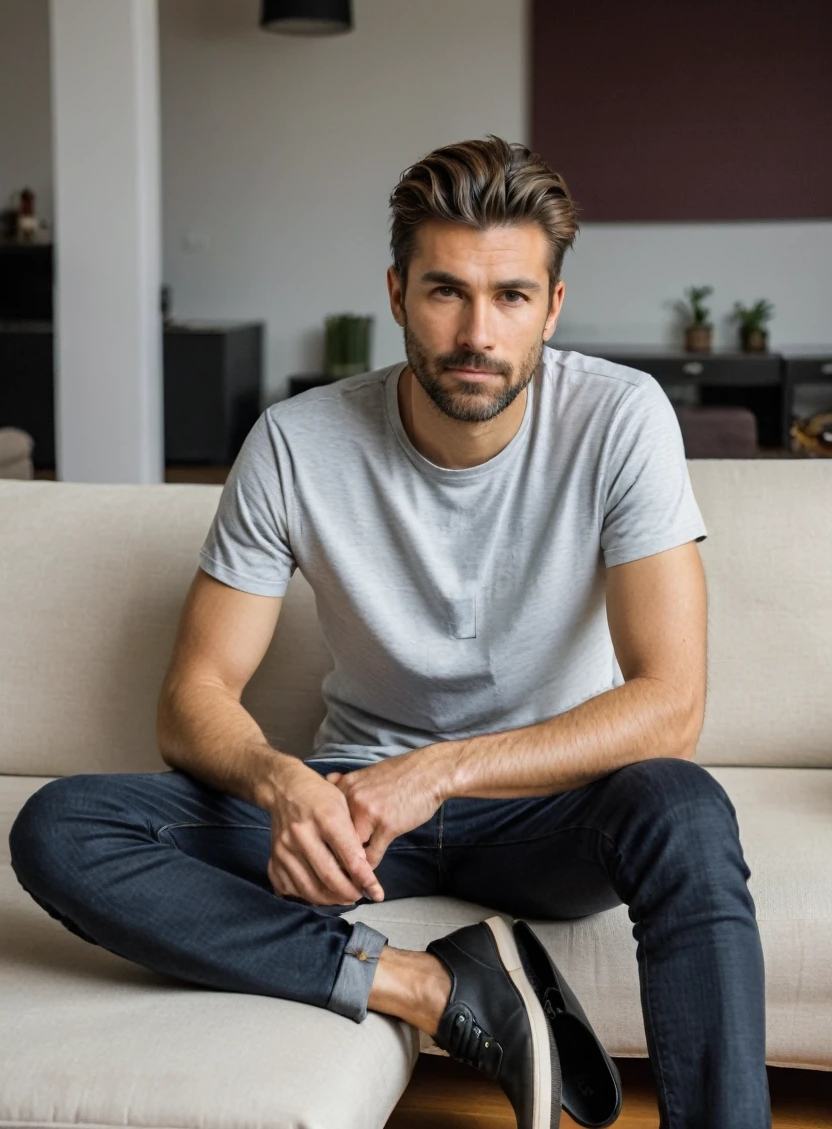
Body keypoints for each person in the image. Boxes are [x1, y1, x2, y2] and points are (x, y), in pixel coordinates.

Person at [9, 136, 769, 1128]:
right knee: (60, 828)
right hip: (355, 816)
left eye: (508, 296)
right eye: (445, 291)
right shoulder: (298, 440)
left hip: (547, 810)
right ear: (397, 292)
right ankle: (437, 990)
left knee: (685, 806)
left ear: (551, 307)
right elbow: (191, 696)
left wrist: (442, 770)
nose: (475, 332)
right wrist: (283, 784)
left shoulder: (620, 418)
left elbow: (669, 703)